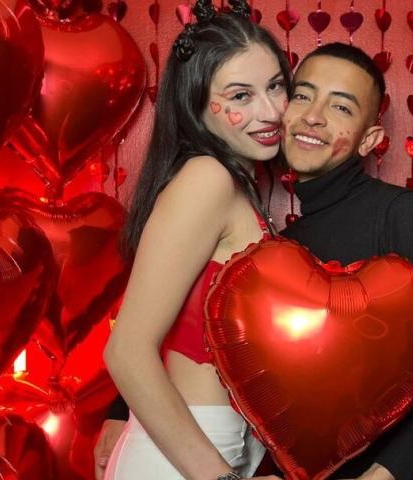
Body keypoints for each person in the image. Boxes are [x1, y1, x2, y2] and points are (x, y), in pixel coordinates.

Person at [98, 42, 413, 480]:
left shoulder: (405, 216)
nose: (313, 116)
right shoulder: (278, 246)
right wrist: (122, 410)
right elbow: (185, 318)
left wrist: (382, 475)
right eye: (302, 95)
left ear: (369, 139)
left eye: (341, 107)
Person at [101, 0, 291, 478]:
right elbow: (126, 352)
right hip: (186, 457)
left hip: (212, 449)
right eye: (241, 96)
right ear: (196, 104)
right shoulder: (207, 179)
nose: (271, 111)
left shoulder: (236, 185)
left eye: (275, 86)